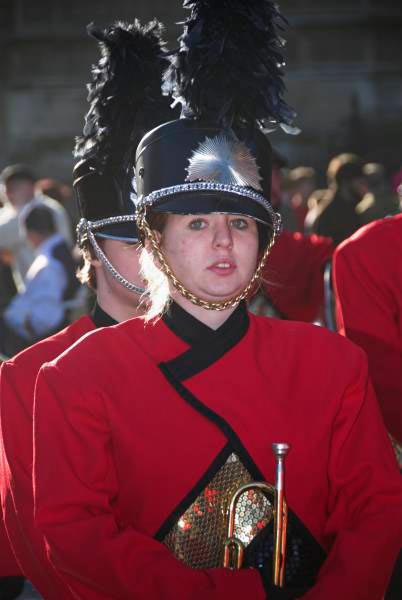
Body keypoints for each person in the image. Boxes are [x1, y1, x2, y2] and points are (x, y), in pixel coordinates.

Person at [32, 2, 402, 599]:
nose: (224, 240)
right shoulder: (74, 379)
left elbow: (376, 511)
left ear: (265, 239)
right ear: (155, 240)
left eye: (241, 221)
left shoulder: (335, 365)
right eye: (196, 225)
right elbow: (75, 536)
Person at [0, 19, 174, 599]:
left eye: (167, 242)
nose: (158, 262)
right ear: (92, 250)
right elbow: (43, 547)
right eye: (136, 243)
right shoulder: (27, 376)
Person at [0, 205, 79, 357]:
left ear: (31, 233)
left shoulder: (49, 264)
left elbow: (46, 317)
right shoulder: (56, 255)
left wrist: (24, 329)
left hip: (28, 342)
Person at [0, 165, 72, 289]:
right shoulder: (16, 210)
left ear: (29, 187)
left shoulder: (42, 209)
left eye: (13, 188)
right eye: (6, 189)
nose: (8, 195)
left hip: (54, 290)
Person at [306, 153, 368, 245]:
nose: (364, 188)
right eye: (360, 182)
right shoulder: (335, 214)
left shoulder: (342, 208)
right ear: (346, 183)